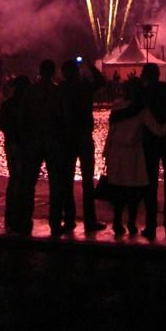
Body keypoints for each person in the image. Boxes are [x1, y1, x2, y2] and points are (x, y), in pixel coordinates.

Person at [102, 75, 166, 238]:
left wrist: (106, 153)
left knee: (118, 189)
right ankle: (131, 222)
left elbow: (111, 132)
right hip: (133, 154)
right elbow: (158, 130)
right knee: (134, 190)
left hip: (116, 153)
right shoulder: (142, 111)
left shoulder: (116, 107)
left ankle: (117, 221)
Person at [21, 59, 69, 236]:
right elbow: (64, 118)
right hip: (53, 142)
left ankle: (26, 219)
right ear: (53, 72)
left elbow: (24, 117)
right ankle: (55, 222)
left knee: (29, 183)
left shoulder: (30, 91)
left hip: (33, 141)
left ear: (40, 71)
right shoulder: (57, 93)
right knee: (55, 184)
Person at [58, 57, 106, 233]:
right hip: (84, 137)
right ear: (77, 72)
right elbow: (101, 82)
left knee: (66, 181)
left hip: (66, 139)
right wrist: (90, 64)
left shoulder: (61, 89)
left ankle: (69, 220)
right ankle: (89, 221)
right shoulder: (84, 87)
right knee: (87, 182)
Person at [138, 61, 166, 239]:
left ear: (145, 76)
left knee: (150, 185)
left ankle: (150, 226)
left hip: (151, 143)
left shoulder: (144, 94)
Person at [0, 74, 31, 233]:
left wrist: (11, 132)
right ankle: (23, 215)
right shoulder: (31, 104)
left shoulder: (7, 104)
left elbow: (0, 124)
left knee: (14, 179)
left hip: (11, 144)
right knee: (24, 180)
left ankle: (11, 215)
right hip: (25, 145)